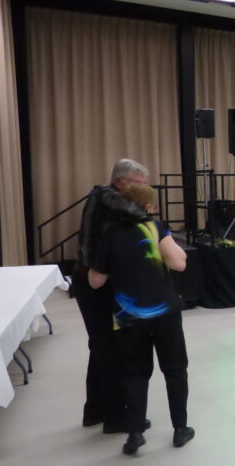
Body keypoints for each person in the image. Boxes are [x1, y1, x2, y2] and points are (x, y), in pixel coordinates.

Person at [88, 183, 195, 455]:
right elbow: (179, 263)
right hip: (165, 312)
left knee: (135, 373)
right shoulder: (155, 228)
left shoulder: (110, 234)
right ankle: (180, 428)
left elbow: (95, 281)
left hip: (128, 316)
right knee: (175, 369)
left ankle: (135, 433)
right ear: (148, 207)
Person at [72, 158, 150, 434]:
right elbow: (138, 214)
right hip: (93, 283)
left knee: (101, 347)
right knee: (110, 348)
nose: (142, 190)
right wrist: (148, 210)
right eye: (138, 184)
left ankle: (95, 410)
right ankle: (115, 418)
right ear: (120, 181)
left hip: (99, 281)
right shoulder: (106, 196)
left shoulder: (110, 198)